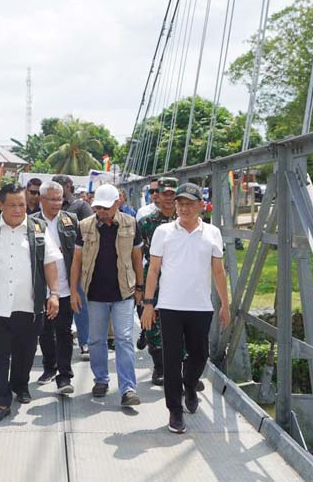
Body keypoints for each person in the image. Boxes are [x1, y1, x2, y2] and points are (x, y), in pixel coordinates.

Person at [0, 182, 62, 423]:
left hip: (28, 306)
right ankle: (0, 400)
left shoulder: (38, 229)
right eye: (12, 205)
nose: (18, 210)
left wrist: (54, 294)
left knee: (25, 352)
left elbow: (50, 263)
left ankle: (20, 385)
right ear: (1, 205)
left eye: (22, 204)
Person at [141, 182, 230, 434]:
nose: (183, 208)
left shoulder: (212, 232)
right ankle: (175, 411)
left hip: (200, 306)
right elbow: (153, 270)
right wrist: (148, 304)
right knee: (171, 359)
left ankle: (190, 385)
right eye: (180, 203)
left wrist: (225, 304)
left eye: (189, 203)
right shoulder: (163, 232)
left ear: (201, 205)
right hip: (169, 306)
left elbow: (218, 271)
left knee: (200, 355)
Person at [70, 184, 144, 407]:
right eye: (98, 208)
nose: (101, 212)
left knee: (124, 339)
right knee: (96, 340)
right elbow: (76, 261)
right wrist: (74, 291)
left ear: (117, 203)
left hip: (124, 292)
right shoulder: (84, 226)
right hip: (94, 293)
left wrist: (140, 288)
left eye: (106, 207)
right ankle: (101, 379)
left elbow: (137, 258)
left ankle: (128, 389)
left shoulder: (131, 224)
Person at [33, 181, 78, 394]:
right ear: (41, 200)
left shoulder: (71, 221)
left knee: (64, 332)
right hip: (41, 288)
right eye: (52, 199)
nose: (56, 203)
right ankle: (49, 367)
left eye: (59, 199)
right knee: (44, 331)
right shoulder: (31, 223)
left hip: (65, 287)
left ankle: (65, 376)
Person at [137, 176, 178, 386]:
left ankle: (181, 366)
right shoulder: (146, 223)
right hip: (154, 275)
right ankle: (159, 367)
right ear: (157, 196)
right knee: (152, 321)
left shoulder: (187, 219)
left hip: (180, 277)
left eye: (172, 194)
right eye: (164, 194)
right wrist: (139, 285)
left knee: (180, 320)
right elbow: (138, 255)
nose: (168, 198)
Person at [52, 175, 94, 360]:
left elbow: (89, 233)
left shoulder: (80, 207)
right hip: (52, 266)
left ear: (68, 186)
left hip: (75, 264)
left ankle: (85, 342)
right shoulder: (48, 207)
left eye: (60, 185)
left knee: (79, 305)